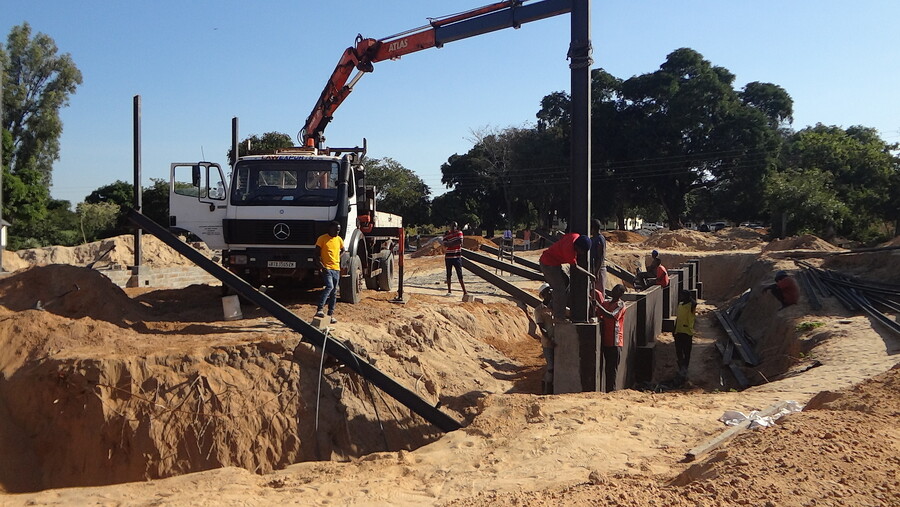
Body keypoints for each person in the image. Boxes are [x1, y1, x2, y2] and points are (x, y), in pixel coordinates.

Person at [539, 232, 593, 319]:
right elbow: (576, 267)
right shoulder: (569, 252)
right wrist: (590, 275)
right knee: (559, 290)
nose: (581, 254)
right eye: (581, 251)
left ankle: (557, 306)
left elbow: (563, 236)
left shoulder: (575, 236)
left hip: (554, 263)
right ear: (577, 247)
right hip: (548, 265)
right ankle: (559, 317)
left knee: (566, 281)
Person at [596, 284, 627, 392]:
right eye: (614, 289)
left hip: (615, 342)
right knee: (606, 369)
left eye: (617, 290)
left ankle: (611, 392)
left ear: (621, 294)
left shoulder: (621, 305)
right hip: (605, 341)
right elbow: (598, 313)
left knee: (612, 370)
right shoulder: (606, 303)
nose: (614, 291)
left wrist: (598, 306)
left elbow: (612, 316)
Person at [314, 221, 344, 323]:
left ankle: (330, 315)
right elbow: (316, 254)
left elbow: (343, 250)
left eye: (339, 230)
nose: (337, 232)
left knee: (334, 292)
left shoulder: (339, 240)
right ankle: (320, 309)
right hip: (327, 268)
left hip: (336, 269)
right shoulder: (322, 239)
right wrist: (322, 266)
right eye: (336, 230)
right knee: (329, 287)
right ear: (330, 229)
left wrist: (338, 258)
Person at [533, 283, 555, 394]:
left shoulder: (555, 307)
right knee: (551, 367)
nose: (551, 292)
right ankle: (546, 388)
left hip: (558, 341)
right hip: (548, 343)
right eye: (548, 291)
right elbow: (542, 328)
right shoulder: (539, 310)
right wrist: (551, 340)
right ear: (543, 295)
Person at [673, 289, 697, 383]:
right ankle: (681, 367)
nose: (681, 297)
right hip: (678, 331)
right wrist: (674, 328)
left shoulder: (692, 305)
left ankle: (685, 369)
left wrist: (690, 298)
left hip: (687, 332)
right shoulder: (680, 305)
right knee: (679, 351)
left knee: (686, 352)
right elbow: (678, 318)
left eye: (683, 295)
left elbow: (694, 303)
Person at [443, 221, 467, 296]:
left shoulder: (459, 233)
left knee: (460, 274)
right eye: (452, 226)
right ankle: (449, 291)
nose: (453, 227)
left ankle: (464, 291)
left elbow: (460, 241)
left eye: (455, 226)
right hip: (448, 257)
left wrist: (450, 244)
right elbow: (444, 243)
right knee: (448, 274)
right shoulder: (447, 234)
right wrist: (453, 243)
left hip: (457, 257)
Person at [590, 219, 608, 296]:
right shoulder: (592, 239)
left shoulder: (599, 239)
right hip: (593, 268)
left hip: (599, 269)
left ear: (593, 228)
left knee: (599, 293)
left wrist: (596, 271)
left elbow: (601, 256)